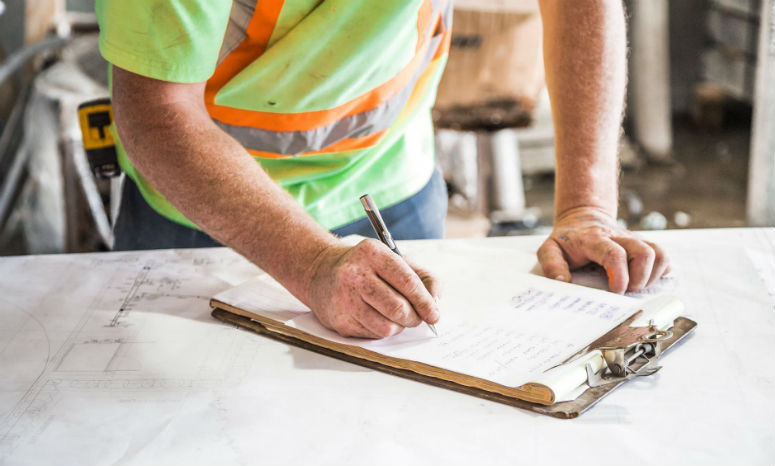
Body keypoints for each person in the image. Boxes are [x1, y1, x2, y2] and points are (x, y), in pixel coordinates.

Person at [95, 0, 669, 339]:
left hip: (393, 182)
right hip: (207, 214)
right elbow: (156, 110)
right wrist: (312, 262)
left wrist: (586, 207)